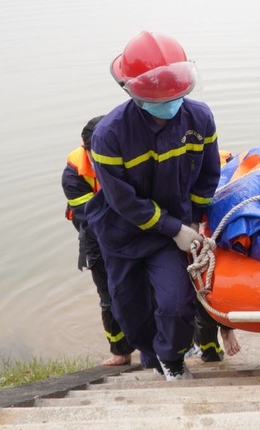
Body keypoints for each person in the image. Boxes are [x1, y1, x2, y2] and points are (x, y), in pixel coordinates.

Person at [85, 31, 222, 381]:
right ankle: (152, 355)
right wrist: (175, 228)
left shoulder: (199, 119)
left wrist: (199, 220)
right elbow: (123, 201)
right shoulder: (110, 135)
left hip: (172, 231)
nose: (170, 101)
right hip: (123, 233)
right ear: (132, 90)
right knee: (129, 311)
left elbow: (207, 174)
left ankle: (173, 360)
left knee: (176, 303)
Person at [61, 116, 135, 366]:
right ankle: (120, 351)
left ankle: (156, 345)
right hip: (96, 235)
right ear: (86, 150)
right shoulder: (74, 173)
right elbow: (90, 216)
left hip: (135, 227)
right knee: (109, 295)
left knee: (147, 288)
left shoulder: (130, 155)